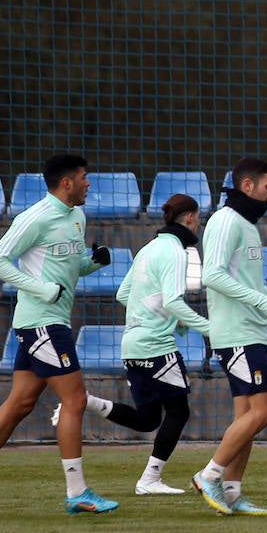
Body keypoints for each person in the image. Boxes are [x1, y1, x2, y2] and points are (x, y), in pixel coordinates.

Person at [0, 153, 117, 517]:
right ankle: (77, 492)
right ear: (67, 182)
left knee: (20, 403)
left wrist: (93, 262)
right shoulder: (35, 217)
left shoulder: (76, 216)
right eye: (85, 177)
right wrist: (41, 290)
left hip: (47, 321)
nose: (89, 183)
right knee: (75, 400)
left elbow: (67, 269)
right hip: (42, 323)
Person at [53, 193, 212, 495]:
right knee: (179, 412)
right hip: (157, 345)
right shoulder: (178, 252)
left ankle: (87, 402)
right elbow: (174, 302)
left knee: (148, 418)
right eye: (198, 219)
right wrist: (209, 330)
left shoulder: (149, 248)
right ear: (190, 218)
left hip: (132, 344)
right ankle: (149, 480)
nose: (199, 225)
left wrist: (160, 314)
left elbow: (124, 295)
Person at [188, 158, 267, 516]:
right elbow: (212, 275)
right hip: (235, 333)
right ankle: (207, 475)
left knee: (246, 418)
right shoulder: (226, 221)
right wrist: (261, 301)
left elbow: (250, 283)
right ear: (247, 187)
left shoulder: (248, 225)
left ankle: (232, 493)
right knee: (265, 410)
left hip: (251, 331)